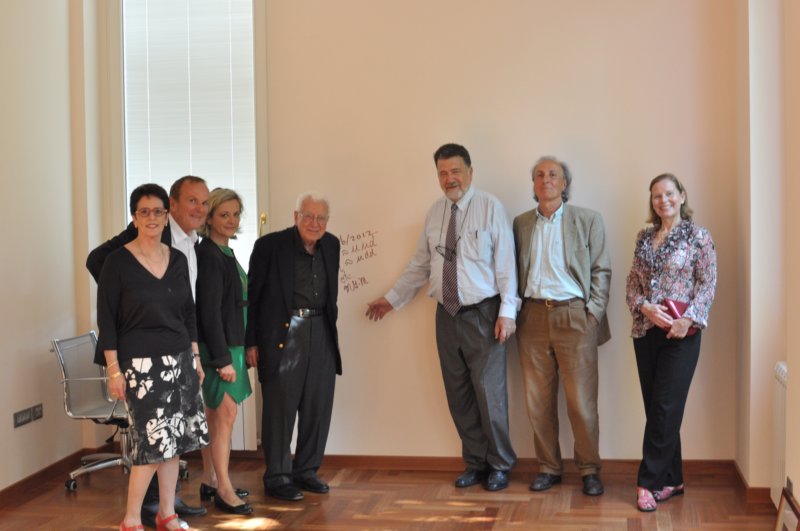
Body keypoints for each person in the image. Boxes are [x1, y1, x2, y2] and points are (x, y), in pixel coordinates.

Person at [366, 143, 519, 492]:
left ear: (470, 171)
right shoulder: (435, 213)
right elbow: (420, 265)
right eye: (443, 173)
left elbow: (506, 265)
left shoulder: (490, 207)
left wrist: (507, 313)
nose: (450, 179)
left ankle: (500, 465)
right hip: (446, 315)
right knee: (459, 394)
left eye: (456, 171)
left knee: (489, 394)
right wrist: (392, 299)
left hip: (484, 314)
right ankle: (476, 463)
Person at [87, 175, 210, 527]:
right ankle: (130, 520)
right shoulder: (117, 263)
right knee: (150, 446)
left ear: (167, 215)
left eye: (158, 211)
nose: (152, 218)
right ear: (134, 218)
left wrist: (196, 357)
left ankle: (167, 514)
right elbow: (107, 321)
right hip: (139, 363)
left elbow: (188, 312)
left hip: (180, 359)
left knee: (176, 442)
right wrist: (114, 370)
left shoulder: (176, 259)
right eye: (144, 212)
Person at [513, 156, 611, 496]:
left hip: (575, 317)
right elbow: (510, 272)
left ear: (564, 183)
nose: (546, 180)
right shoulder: (521, 223)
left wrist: (593, 314)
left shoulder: (587, 220)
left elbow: (602, 270)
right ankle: (548, 467)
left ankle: (589, 470)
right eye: (539, 175)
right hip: (533, 318)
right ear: (534, 184)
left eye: (553, 174)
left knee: (581, 402)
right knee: (537, 401)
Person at [625, 173, 716, 512]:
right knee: (659, 409)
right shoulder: (644, 237)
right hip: (645, 333)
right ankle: (673, 478)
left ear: (681, 196)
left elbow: (707, 284)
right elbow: (632, 284)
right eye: (656, 196)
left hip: (681, 335)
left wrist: (687, 319)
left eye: (669, 194)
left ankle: (648, 482)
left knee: (665, 408)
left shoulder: (698, 237)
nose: (663, 200)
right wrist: (643, 306)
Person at [245, 192, 341, 501]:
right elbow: (253, 298)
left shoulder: (332, 245)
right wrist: (251, 342)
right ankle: (277, 476)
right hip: (283, 334)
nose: (315, 223)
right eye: (308, 216)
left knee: (317, 405)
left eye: (321, 218)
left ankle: (306, 470)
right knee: (280, 408)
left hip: (321, 331)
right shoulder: (269, 246)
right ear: (295, 215)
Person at [195, 188, 253, 515]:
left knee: (215, 415)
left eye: (235, 214)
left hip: (232, 344)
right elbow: (209, 312)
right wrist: (221, 360)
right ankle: (224, 489)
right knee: (225, 416)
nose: (231, 221)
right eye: (223, 215)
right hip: (221, 349)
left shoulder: (224, 252)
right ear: (209, 218)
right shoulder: (210, 255)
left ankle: (210, 479)